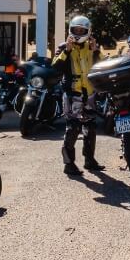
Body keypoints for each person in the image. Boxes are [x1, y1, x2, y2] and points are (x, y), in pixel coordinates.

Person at [53, 15, 104, 176]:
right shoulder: (64, 47)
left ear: (88, 31)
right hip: (72, 94)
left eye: (82, 30)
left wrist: (96, 51)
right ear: (71, 30)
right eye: (77, 30)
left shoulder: (92, 47)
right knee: (73, 128)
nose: (79, 32)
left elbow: (103, 65)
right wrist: (66, 52)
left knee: (90, 127)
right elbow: (55, 67)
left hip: (89, 93)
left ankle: (90, 160)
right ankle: (69, 164)